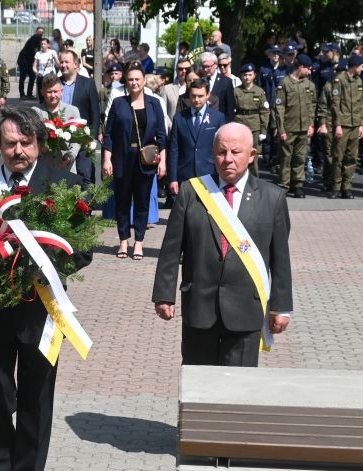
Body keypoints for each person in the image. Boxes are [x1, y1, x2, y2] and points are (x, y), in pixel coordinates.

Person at [0, 107, 91, 471]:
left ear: (39, 143)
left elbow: (83, 248)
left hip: (41, 311)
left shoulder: (64, 184)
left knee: (37, 397)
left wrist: (43, 268)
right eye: (10, 143)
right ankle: (2, 468)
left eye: (26, 143)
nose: (19, 151)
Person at [152, 122, 292, 366]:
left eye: (236, 152)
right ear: (212, 153)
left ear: (251, 155)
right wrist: (164, 295)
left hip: (246, 310)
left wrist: (281, 308)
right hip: (199, 307)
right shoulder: (191, 192)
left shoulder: (272, 197)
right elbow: (171, 250)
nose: (228, 159)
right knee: (198, 382)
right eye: (221, 151)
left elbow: (280, 258)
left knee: (238, 385)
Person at [103, 63, 166, 260]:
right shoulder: (118, 103)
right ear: (126, 82)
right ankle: (123, 240)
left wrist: (163, 161)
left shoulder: (154, 103)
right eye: (130, 79)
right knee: (122, 201)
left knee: (142, 201)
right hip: (122, 157)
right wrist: (107, 159)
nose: (134, 83)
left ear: (144, 81)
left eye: (137, 79)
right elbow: (109, 134)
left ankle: (139, 242)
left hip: (146, 159)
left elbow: (162, 135)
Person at [319, 53, 363, 199]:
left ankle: (347, 188)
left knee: (351, 158)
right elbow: (335, 105)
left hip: (354, 124)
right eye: (361, 66)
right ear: (354, 66)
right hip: (343, 125)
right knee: (338, 158)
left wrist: (361, 124)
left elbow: (361, 104)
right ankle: (336, 187)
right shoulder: (339, 80)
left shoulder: (358, 81)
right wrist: (338, 125)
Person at [168, 78, 225, 192]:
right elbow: (174, 149)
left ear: (208, 95)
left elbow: (222, 149)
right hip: (185, 174)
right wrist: (173, 178)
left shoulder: (218, 118)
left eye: (200, 96)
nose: (196, 99)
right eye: (193, 96)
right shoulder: (179, 118)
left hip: (210, 173)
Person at [274, 53, 316, 197]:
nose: (309, 72)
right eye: (308, 69)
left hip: (303, 128)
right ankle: (284, 184)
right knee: (286, 158)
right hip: (289, 127)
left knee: (300, 157)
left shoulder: (309, 85)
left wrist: (311, 124)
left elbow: (312, 105)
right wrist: (281, 129)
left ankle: (297, 184)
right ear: (301, 67)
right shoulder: (285, 83)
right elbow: (279, 107)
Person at [56, 49, 100, 183]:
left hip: (82, 139)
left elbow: (95, 113)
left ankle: (87, 197)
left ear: (76, 64)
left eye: (66, 62)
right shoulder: (55, 84)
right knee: (61, 178)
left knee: (85, 176)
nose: (63, 65)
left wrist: (92, 138)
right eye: (61, 62)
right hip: (59, 141)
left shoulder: (88, 83)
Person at [34, 75, 80, 173]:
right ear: (42, 92)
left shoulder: (73, 111)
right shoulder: (35, 112)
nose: (53, 95)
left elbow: (78, 139)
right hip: (43, 166)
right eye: (49, 92)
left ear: (61, 91)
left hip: (67, 166)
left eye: (55, 91)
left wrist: (71, 155)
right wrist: (40, 148)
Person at [232, 65, 269, 177]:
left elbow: (264, 112)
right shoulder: (236, 91)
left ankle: (254, 179)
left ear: (254, 75)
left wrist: (263, 131)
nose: (247, 77)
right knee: (239, 153)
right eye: (244, 75)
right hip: (239, 125)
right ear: (241, 76)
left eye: (249, 75)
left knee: (253, 155)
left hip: (254, 127)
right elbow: (231, 109)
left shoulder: (259, 91)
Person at [199, 51, 236, 120]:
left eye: (208, 66)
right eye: (203, 67)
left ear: (215, 65)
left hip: (219, 122)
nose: (205, 69)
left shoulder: (226, 82)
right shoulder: (200, 81)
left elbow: (230, 109)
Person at [18, 27, 45, 98]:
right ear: (36, 31)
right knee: (23, 77)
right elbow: (35, 50)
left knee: (32, 76)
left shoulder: (39, 39)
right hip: (23, 60)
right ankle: (22, 94)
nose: (41, 33)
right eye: (39, 31)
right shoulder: (35, 38)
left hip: (29, 61)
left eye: (42, 32)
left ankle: (29, 94)